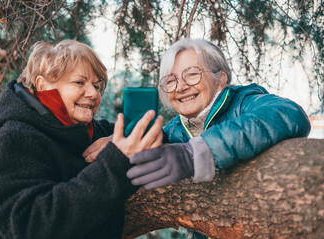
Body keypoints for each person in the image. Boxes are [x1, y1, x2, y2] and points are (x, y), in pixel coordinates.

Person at [0, 39, 163, 239]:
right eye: (79, 82)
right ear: (44, 86)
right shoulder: (11, 139)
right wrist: (116, 163)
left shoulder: (93, 131)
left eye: (97, 85)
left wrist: (119, 141)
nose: (94, 93)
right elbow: (31, 227)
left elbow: (160, 137)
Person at [126, 38, 311, 190]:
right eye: (172, 80)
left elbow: (291, 114)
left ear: (221, 80)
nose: (180, 87)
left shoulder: (242, 102)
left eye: (191, 74)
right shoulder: (174, 130)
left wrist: (198, 153)